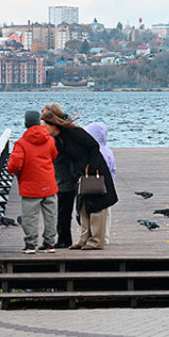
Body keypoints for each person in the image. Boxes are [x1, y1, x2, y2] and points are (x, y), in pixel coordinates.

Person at [40, 110, 118, 250]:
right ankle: (84, 239)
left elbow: (93, 146)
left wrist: (92, 167)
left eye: (44, 125)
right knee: (82, 206)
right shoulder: (58, 139)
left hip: (95, 171)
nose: (43, 128)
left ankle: (96, 241)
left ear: (53, 125)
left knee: (97, 205)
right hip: (80, 173)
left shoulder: (73, 132)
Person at [7, 110, 58, 254]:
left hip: (30, 185)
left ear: (25, 123)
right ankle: (49, 243)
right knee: (51, 215)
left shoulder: (21, 143)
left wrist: (15, 172)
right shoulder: (50, 140)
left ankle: (31, 244)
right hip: (48, 184)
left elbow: (14, 165)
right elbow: (54, 155)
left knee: (30, 216)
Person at [42, 103, 76, 248]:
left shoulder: (61, 135)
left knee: (63, 210)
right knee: (61, 209)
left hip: (64, 177)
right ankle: (62, 238)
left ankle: (63, 239)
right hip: (59, 176)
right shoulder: (62, 133)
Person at [85, 122, 116, 245]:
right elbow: (113, 169)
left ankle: (92, 235)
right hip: (106, 186)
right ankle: (105, 236)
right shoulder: (108, 151)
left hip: (92, 185)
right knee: (106, 214)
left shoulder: (90, 151)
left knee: (90, 213)